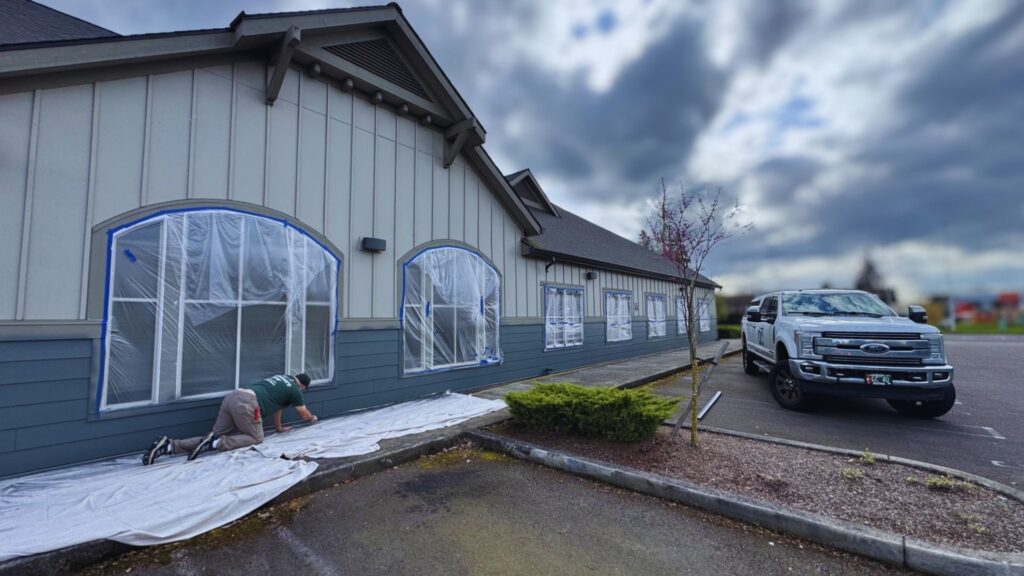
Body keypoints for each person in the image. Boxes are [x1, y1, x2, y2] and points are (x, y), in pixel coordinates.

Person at [142, 373, 319, 465]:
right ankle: (217, 443)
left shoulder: (282, 379)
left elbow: (278, 407)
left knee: (212, 437)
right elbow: (303, 413)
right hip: (247, 403)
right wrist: (312, 418)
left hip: (232, 397)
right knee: (256, 438)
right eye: (303, 389)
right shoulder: (295, 390)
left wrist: (279, 427)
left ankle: (169, 446)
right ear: (302, 386)